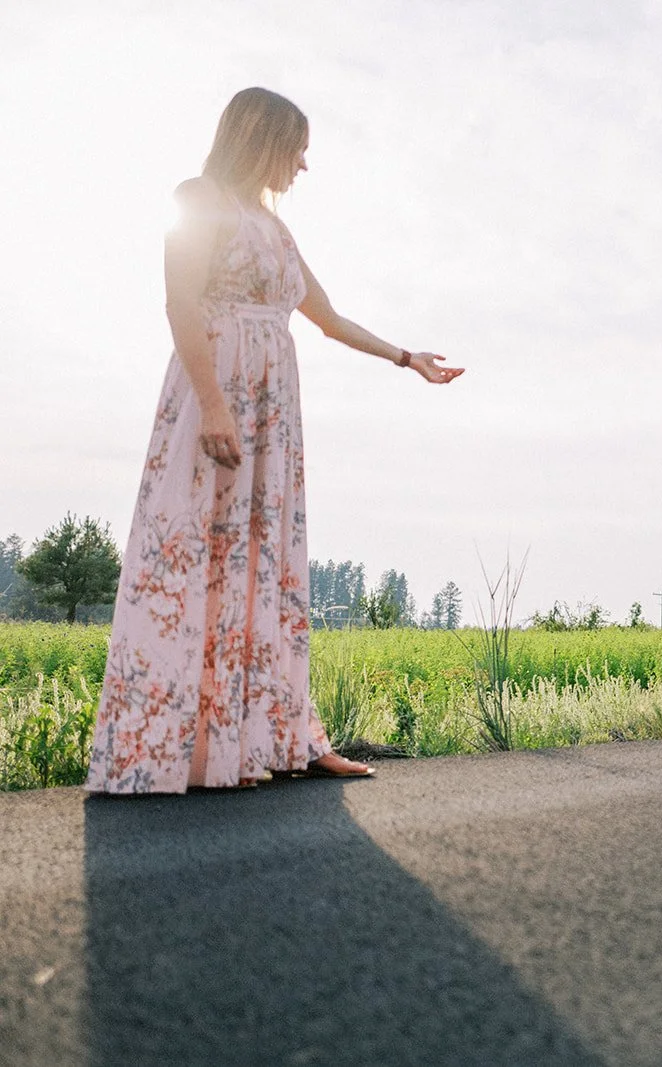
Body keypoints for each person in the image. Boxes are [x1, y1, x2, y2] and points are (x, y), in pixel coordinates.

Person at [85, 88, 464, 794]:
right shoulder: (200, 199)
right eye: (297, 149)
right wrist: (212, 405)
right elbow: (180, 301)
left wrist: (406, 357)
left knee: (263, 562)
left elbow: (328, 317)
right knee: (197, 548)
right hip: (217, 391)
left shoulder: (275, 228)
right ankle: (179, 745)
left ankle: (274, 737)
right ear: (261, 139)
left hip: (271, 413)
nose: (303, 165)